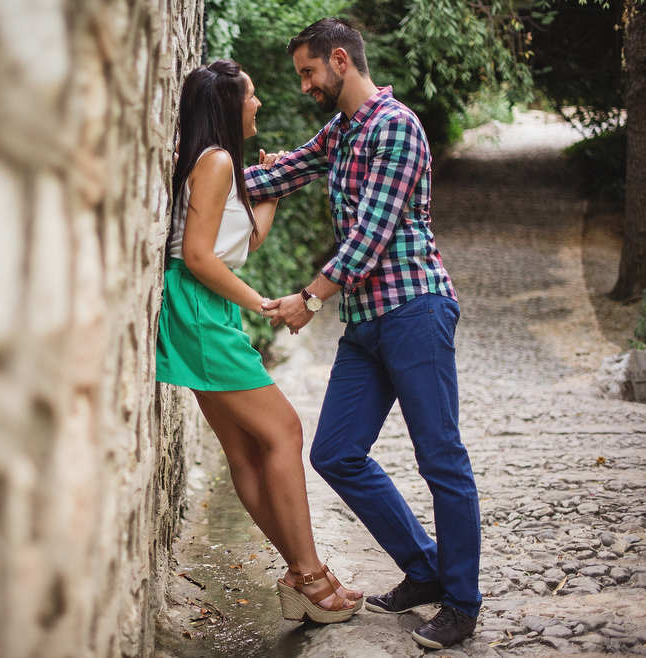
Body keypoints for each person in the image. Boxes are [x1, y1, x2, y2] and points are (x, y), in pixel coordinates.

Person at [245, 18, 482, 649]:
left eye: (308, 71)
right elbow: (282, 173)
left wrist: (309, 298)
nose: (303, 85)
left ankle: (461, 600)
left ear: (341, 61)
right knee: (335, 453)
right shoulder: (344, 132)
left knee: (441, 458)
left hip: (414, 310)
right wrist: (202, 179)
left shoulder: (395, 126)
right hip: (368, 321)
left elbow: (371, 235)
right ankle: (425, 568)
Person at [156, 59, 364, 623]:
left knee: (248, 448)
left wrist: (270, 192)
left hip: (202, 308)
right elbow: (196, 256)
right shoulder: (218, 160)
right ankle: (309, 575)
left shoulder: (216, 164)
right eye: (251, 95)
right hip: (201, 309)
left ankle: (303, 575)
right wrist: (264, 303)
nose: (259, 104)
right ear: (228, 104)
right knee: (285, 430)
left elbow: (237, 243)